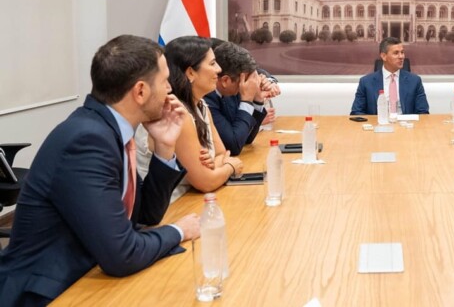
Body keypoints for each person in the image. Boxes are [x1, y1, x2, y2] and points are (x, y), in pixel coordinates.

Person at [0, 35, 201, 304]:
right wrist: (179, 230)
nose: (170, 90)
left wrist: (165, 146)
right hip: (49, 293)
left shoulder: (108, 130)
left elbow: (147, 214)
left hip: (89, 275)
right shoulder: (86, 140)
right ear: (140, 91)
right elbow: (122, 255)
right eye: (165, 81)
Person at [140, 36, 243, 201]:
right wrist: (230, 166)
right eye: (212, 64)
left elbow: (222, 152)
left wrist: (214, 166)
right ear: (190, 72)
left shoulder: (200, 104)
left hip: (191, 200)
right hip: (169, 208)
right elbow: (206, 183)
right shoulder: (174, 113)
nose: (218, 69)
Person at [205, 41, 276, 156]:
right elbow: (233, 146)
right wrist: (247, 100)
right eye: (245, 81)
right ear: (225, 81)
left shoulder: (231, 90)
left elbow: (246, 138)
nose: (248, 85)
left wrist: (257, 100)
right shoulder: (207, 98)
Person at [350, 37, 429, 115]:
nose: (401, 56)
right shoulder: (366, 82)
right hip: (378, 125)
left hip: (405, 126)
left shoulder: (415, 81)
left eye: (402, 52)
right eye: (396, 53)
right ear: (384, 56)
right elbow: (356, 112)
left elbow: (423, 113)